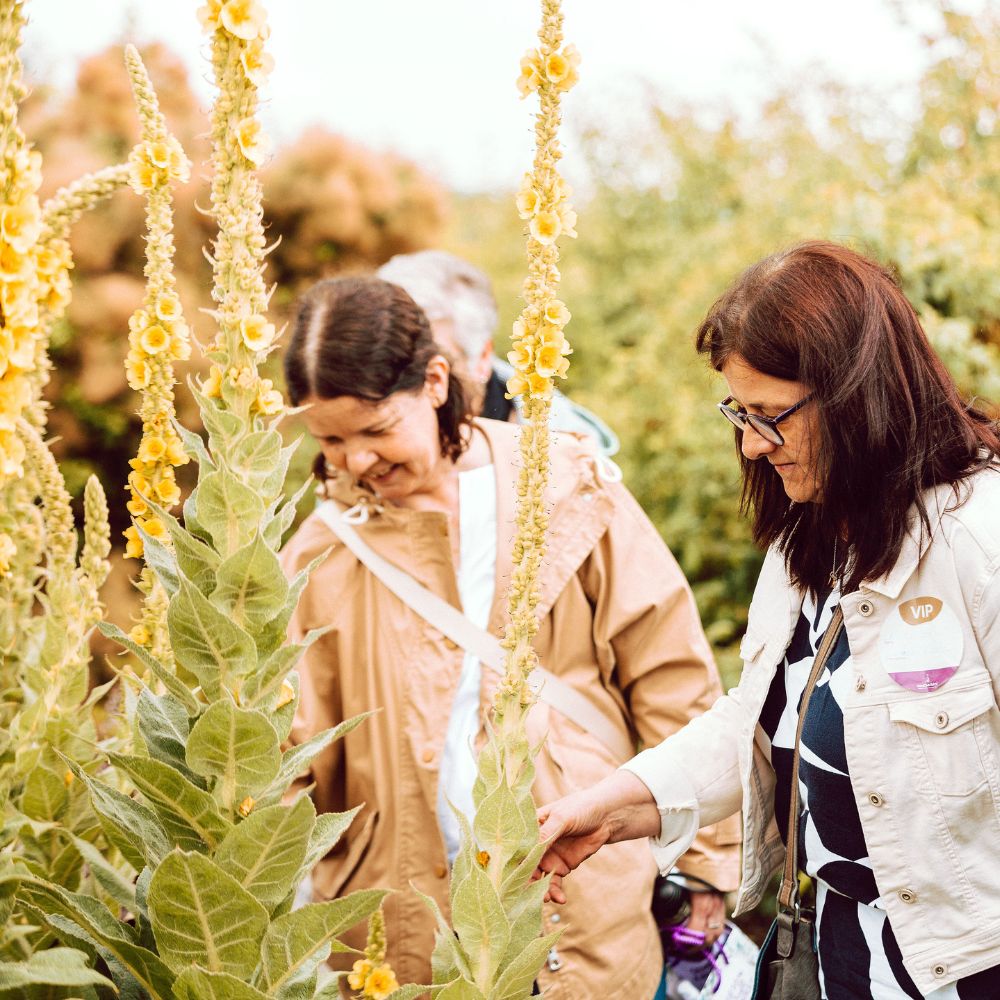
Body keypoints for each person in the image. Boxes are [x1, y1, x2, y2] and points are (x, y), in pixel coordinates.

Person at [535, 240, 1000, 999]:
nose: (753, 443)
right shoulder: (806, 544)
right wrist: (618, 805)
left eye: (770, 416)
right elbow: (758, 720)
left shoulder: (981, 539)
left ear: (857, 392)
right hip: (842, 957)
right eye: (739, 415)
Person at [279, 275, 740, 999]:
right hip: (401, 938)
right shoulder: (319, 552)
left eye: (375, 430)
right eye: (330, 441)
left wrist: (707, 863)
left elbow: (669, 674)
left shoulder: (565, 486)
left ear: (436, 382)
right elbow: (286, 754)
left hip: (581, 911)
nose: (356, 462)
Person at [376, 249, 619, 454]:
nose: (400, 383)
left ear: (482, 358)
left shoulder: (563, 448)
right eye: (388, 361)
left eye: (427, 367)